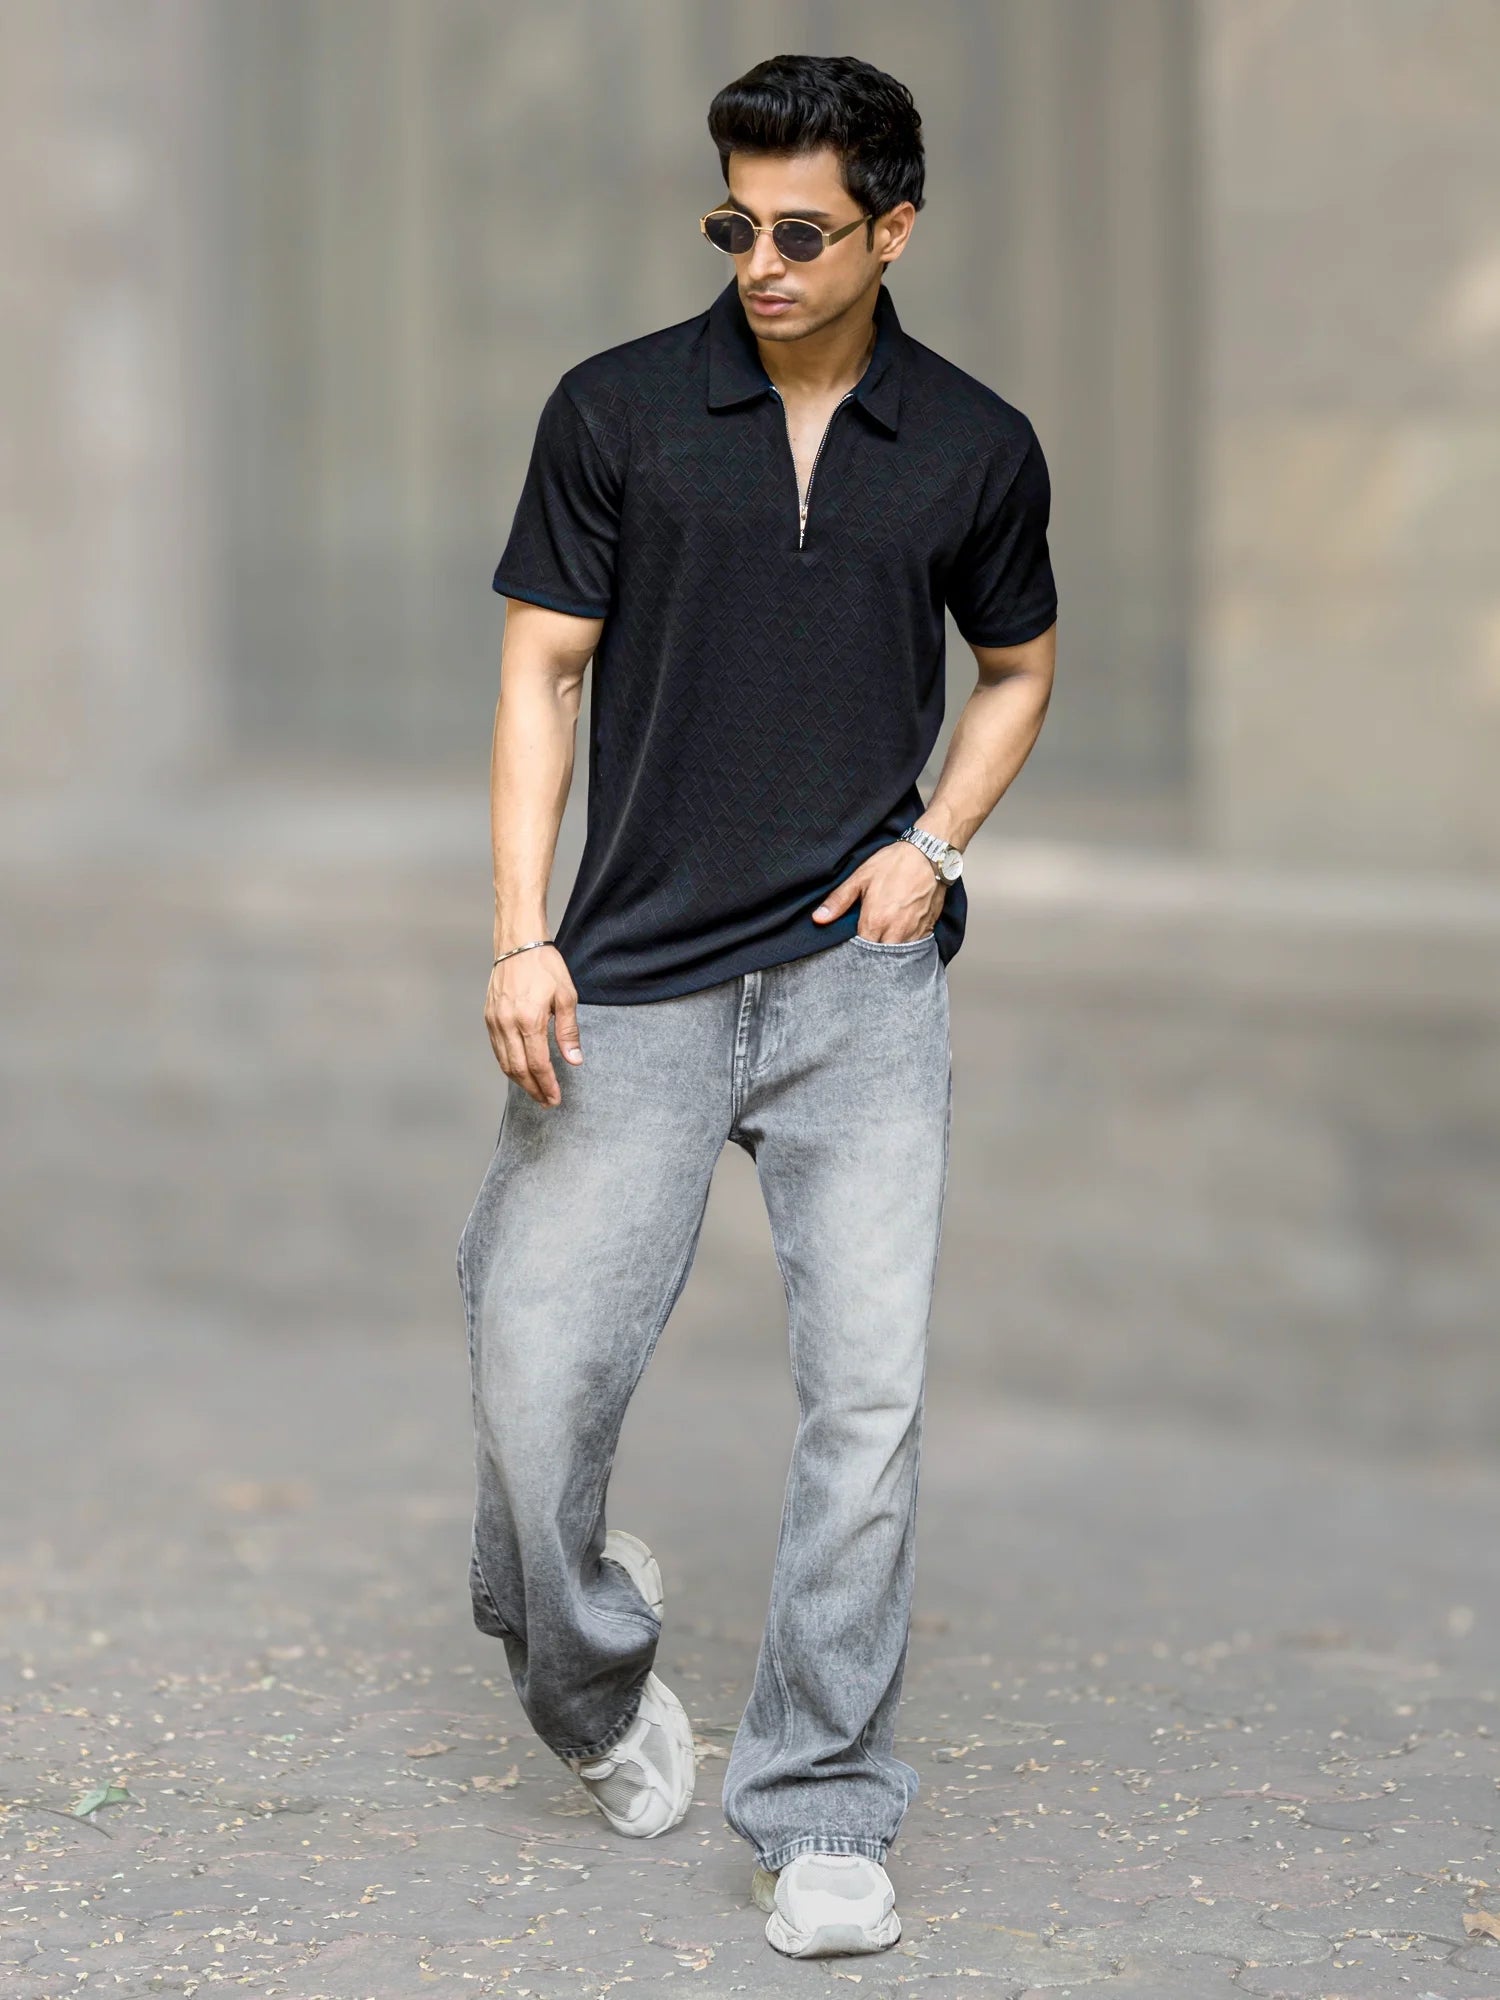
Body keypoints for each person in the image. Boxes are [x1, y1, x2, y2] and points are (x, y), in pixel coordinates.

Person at [456, 51, 1058, 1962]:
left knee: (866, 1403)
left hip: (854, 989)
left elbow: (1020, 667)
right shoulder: (618, 411)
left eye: (804, 231)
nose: (763, 263)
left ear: (896, 228)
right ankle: (586, 1674)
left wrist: (934, 849)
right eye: (736, 224)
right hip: (628, 975)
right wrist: (520, 934)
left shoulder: (973, 444)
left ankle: (822, 1808)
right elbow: (542, 674)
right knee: (533, 1376)